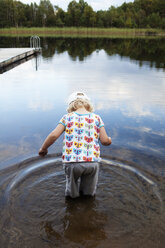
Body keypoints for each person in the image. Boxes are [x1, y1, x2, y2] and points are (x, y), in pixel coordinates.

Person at [39, 92, 111, 198]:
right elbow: (105, 141)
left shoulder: (67, 117)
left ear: (71, 105)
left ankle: (72, 206)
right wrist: (109, 140)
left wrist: (43, 148)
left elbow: (54, 135)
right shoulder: (97, 118)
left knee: (71, 191)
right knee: (89, 193)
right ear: (88, 104)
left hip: (72, 161)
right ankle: (88, 206)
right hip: (91, 161)